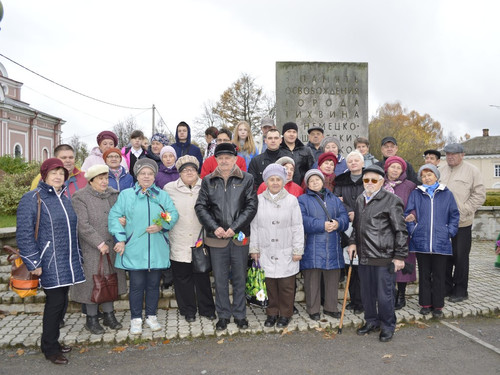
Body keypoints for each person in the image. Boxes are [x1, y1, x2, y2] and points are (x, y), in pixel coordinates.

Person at [16, 158, 85, 364]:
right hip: (48, 261)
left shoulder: (64, 197)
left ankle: (52, 341)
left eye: (62, 173)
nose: (58, 176)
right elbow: (24, 233)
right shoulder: (32, 198)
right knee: (55, 304)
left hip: (66, 260)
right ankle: (50, 348)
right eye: (54, 173)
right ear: (44, 175)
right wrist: (33, 262)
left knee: (61, 302)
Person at [108, 158, 179, 335]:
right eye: (142, 173)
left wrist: (162, 225)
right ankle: (136, 318)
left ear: (154, 176)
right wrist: (121, 239)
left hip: (156, 248)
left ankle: (152, 316)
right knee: (137, 285)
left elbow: (173, 214)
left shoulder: (161, 195)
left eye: (150, 174)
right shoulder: (126, 195)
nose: (146, 177)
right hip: (134, 248)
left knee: (154, 285)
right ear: (137, 176)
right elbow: (115, 217)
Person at [195, 143, 258, 331]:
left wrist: (234, 227)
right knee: (220, 280)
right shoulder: (207, 181)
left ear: (235, 159)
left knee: (239, 278)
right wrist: (214, 228)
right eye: (220, 157)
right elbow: (200, 207)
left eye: (228, 157)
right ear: (215, 159)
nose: (224, 161)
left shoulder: (246, 179)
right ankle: (223, 315)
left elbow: (251, 206)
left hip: (238, 237)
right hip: (216, 239)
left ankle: (240, 315)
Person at [348, 164, 408, 343]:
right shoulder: (360, 199)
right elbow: (357, 225)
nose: (370, 183)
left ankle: (388, 325)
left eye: (374, 180)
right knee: (366, 294)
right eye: (366, 179)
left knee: (384, 295)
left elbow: (401, 230)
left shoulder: (391, 200)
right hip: (364, 255)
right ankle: (371, 321)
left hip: (384, 257)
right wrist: (352, 242)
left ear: (382, 182)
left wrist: (399, 256)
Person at [70, 165, 128, 334]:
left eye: (106, 178)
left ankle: (109, 315)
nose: (104, 182)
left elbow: (121, 214)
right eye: (100, 179)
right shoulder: (80, 197)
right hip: (92, 248)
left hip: (112, 246)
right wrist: (98, 242)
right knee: (92, 283)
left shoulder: (113, 195)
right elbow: (82, 224)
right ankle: (92, 319)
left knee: (109, 281)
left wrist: (123, 219)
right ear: (91, 181)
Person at [250, 164, 304, 328]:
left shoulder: (291, 200)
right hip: (266, 249)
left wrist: (297, 250)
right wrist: (254, 249)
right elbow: (254, 226)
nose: (275, 182)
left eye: (278, 179)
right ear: (266, 181)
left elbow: (297, 226)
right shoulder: (258, 200)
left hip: (286, 249)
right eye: (271, 179)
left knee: (287, 285)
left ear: (283, 181)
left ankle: (285, 314)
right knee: (270, 285)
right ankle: (272, 313)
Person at [165, 155, 216, 323]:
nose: (189, 172)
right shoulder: (169, 188)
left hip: (200, 239)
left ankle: (207, 309)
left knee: (202, 276)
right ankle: (188, 310)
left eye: (192, 169)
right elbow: (163, 210)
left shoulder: (206, 185)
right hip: (178, 239)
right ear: (179, 172)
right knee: (182, 278)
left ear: (197, 171)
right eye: (185, 170)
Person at [404, 164, 459, 318]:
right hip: (421, 241)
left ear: (436, 176)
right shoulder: (416, 194)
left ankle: (438, 306)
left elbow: (454, 215)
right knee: (424, 275)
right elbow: (408, 212)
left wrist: (449, 231)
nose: (427, 178)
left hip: (441, 242)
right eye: (423, 175)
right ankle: (425, 304)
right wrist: (413, 229)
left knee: (440, 275)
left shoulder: (447, 194)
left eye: (430, 174)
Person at [298, 169, 349, 321]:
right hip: (312, 245)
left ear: (323, 181)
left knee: (332, 278)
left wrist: (338, 223)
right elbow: (302, 220)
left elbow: (344, 216)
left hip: (333, 243)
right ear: (307, 184)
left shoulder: (333, 199)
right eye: (311, 181)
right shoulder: (302, 200)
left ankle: (331, 307)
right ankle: (313, 309)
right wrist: (322, 225)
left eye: (317, 180)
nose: (315, 182)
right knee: (312, 279)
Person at [439, 143, 486, 302]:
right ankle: (446, 287)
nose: (450, 156)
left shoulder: (472, 171)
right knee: (444, 257)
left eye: (454, 154)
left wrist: (464, 209)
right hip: (442, 223)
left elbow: (479, 195)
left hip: (462, 222)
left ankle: (460, 291)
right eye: (447, 154)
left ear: (462, 155)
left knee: (460, 257)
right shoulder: (440, 170)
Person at [383, 156, 417, 310]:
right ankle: (390, 293)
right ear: (387, 168)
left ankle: (401, 295)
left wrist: (413, 214)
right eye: (392, 167)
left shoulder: (409, 185)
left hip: (402, 228)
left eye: (398, 168)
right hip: (383, 229)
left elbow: (417, 203)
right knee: (386, 262)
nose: (395, 170)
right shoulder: (380, 183)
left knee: (403, 260)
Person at [333, 149, 365, 314]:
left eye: (356, 160)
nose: (353, 163)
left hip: (365, 225)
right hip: (347, 225)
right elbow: (336, 201)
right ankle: (353, 299)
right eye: (350, 161)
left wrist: (357, 212)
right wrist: (348, 211)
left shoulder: (369, 178)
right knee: (349, 263)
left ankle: (362, 301)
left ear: (362, 163)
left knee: (361, 265)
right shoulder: (341, 181)